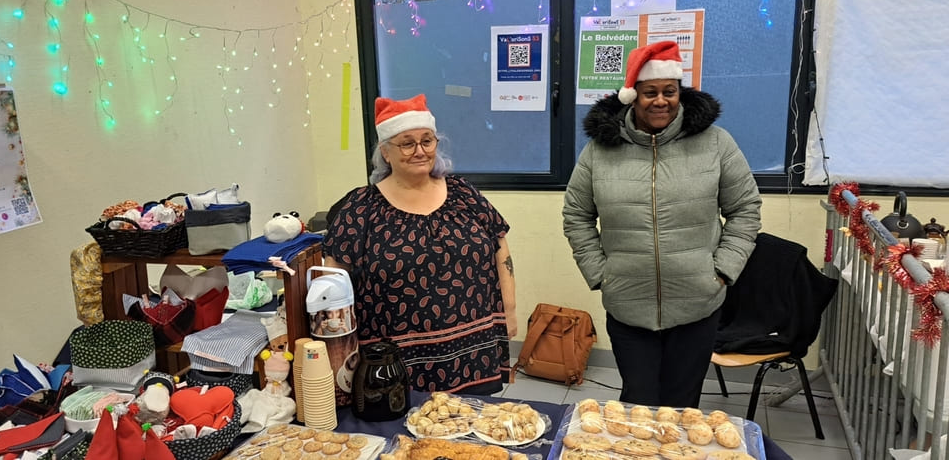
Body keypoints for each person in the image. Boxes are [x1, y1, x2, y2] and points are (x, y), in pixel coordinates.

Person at [562, 41, 762, 408]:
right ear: (632, 96)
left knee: (682, 405)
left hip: (698, 302)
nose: (660, 101)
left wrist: (721, 270)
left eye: (669, 92)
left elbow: (745, 209)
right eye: (650, 92)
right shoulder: (600, 150)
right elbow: (577, 214)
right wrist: (601, 272)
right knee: (637, 403)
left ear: (680, 93)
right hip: (627, 303)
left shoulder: (715, 143)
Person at [324, 94, 517, 395]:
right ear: (385, 153)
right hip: (394, 360)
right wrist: (339, 345)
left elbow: (499, 246)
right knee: (409, 436)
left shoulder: (463, 193)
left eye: (427, 141)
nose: (420, 151)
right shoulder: (362, 207)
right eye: (407, 143)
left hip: (472, 350)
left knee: (471, 431)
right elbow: (332, 277)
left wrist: (510, 311)